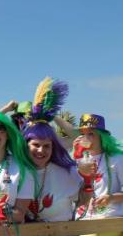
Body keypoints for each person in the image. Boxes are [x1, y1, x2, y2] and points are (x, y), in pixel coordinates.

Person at [21, 77, 90, 222]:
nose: (41, 150)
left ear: (54, 147)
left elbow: (82, 201)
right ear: (26, 145)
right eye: (36, 145)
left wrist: (88, 180)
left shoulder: (65, 172)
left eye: (47, 146)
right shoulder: (16, 171)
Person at [74, 114, 123, 236]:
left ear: (102, 136)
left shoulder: (117, 159)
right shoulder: (78, 161)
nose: (86, 138)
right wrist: (76, 164)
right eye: (83, 134)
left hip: (109, 219)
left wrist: (111, 198)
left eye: (91, 134)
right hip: (82, 219)